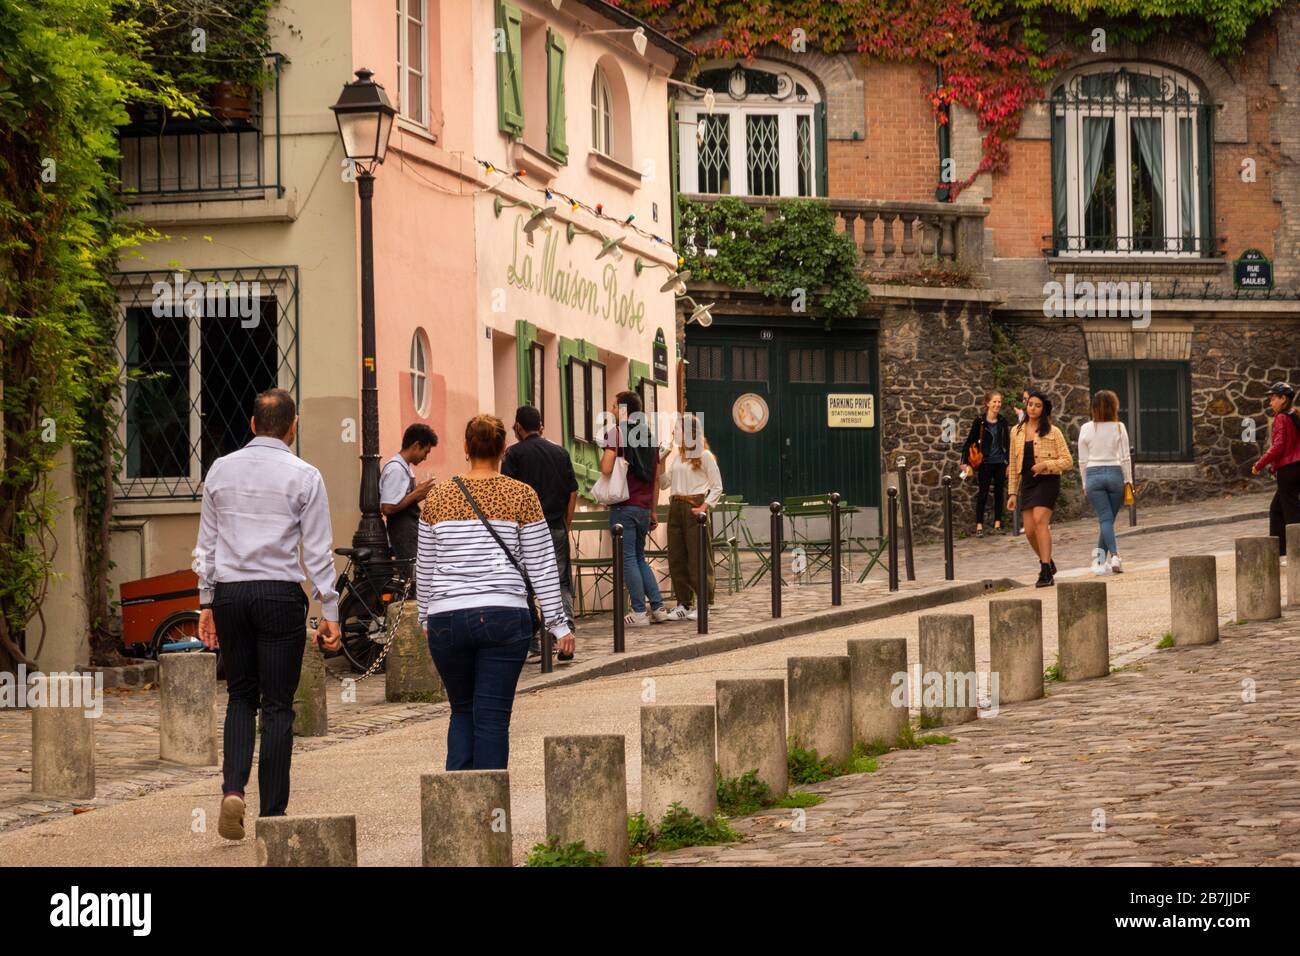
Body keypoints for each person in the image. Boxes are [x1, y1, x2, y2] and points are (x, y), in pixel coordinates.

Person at [195, 387, 342, 841]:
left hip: (231, 595)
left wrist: (205, 601)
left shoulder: (220, 469)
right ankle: (273, 813)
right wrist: (329, 609)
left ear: (253, 424)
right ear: (292, 428)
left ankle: (232, 789)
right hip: (279, 594)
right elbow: (316, 551)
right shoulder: (305, 475)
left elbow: (207, 544)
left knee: (241, 696)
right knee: (278, 706)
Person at [415, 415, 572, 770]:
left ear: (466, 447)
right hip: (502, 614)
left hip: (447, 618)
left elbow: (424, 565)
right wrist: (558, 624)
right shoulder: (521, 495)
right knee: (492, 716)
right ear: (504, 449)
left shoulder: (438, 497)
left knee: (462, 710)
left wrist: (425, 614)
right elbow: (541, 563)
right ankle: (489, 816)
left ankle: (459, 804)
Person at [501, 404, 578, 658]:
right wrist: (566, 522)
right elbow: (572, 491)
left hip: (524, 531)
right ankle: (564, 638)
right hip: (555, 526)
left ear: (518, 427)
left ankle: (532, 640)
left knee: (524, 585)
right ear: (541, 426)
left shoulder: (513, 455)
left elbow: (507, 494)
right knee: (561, 583)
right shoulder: (559, 452)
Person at [599, 390, 669, 626]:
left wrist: (604, 457)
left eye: (614, 405)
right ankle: (658, 608)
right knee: (640, 557)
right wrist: (652, 510)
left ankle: (639, 612)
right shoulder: (650, 437)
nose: (611, 409)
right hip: (643, 507)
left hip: (624, 506)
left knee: (628, 559)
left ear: (623, 409)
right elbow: (656, 478)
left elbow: (607, 468)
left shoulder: (616, 433)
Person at [658, 413, 724, 619]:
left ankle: (704, 603)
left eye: (677, 429)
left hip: (694, 506)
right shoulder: (677, 457)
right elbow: (663, 484)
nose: (673, 432)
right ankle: (684, 603)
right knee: (677, 557)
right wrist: (662, 459)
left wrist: (704, 506)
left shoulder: (704, 456)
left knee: (699, 557)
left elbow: (717, 487)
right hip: (675, 506)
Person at [1007, 390, 1073, 587]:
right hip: (1027, 483)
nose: (1033, 408)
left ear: (1043, 409)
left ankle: (1045, 571)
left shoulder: (1053, 432)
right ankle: (1048, 561)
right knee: (1028, 531)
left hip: (1047, 481)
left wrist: (1046, 465)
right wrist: (1012, 493)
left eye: (1037, 405)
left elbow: (1067, 460)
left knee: (1039, 521)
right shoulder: (1016, 431)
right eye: (1030, 405)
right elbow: (1012, 463)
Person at [1078, 390, 1132, 575]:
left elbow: (1082, 460)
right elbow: (1125, 457)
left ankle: (1100, 562)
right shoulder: (1119, 427)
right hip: (1115, 474)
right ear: (1113, 407)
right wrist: (1129, 481)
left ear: (1093, 408)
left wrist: (1084, 482)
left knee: (1105, 519)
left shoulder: (1086, 428)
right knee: (1107, 519)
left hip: (1093, 474)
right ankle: (1114, 556)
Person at [1251, 382, 1300, 559]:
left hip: (1288, 470)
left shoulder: (1282, 417)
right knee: (1277, 509)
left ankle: (1295, 554)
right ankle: (1279, 553)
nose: (1270, 402)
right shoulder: (1294, 414)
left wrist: (1259, 464)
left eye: (1273, 399)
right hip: (1296, 468)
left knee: (1291, 512)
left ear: (1283, 399)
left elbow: (1278, 446)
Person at [380, 423, 438, 565]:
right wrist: (415, 494)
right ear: (416, 445)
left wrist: (418, 496)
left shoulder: (404, 467)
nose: (425, 458)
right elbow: (387, 507)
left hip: (408, 530)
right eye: (426, 452)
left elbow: (400, 501)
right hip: (402, 533)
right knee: (411, 576)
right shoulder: (396, 469)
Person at [960, 391, 1011, 536]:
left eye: (999, 402)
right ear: (987, 403)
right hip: (985, 462)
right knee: (983, 493)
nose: (997, 404)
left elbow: (1007, 443)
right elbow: (969, 442)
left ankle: (997, 524)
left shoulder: (1002, 421)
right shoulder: (980, 421)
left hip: (1000, 462)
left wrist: (1008, 463)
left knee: (999, 493)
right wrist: (963, 461)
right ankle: (979, 525)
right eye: (994, 402)